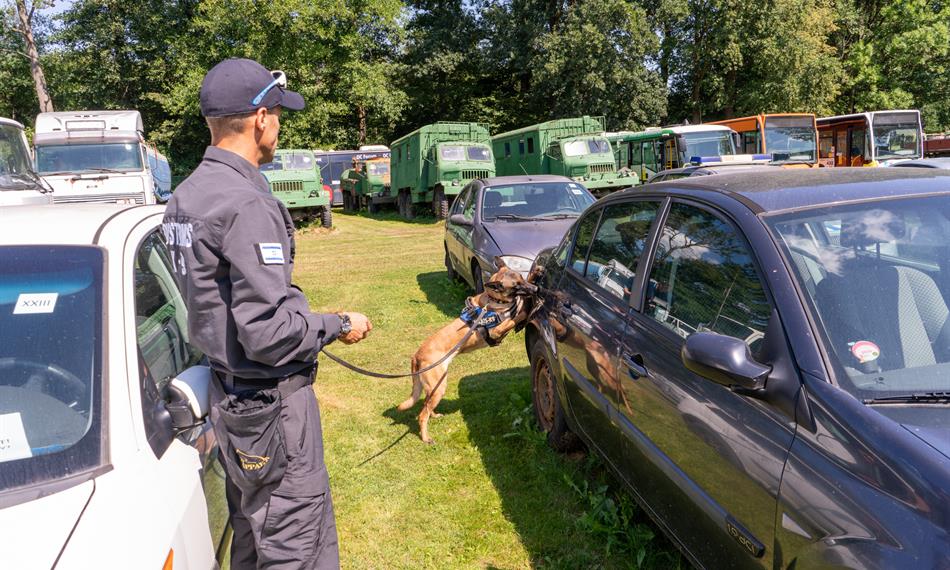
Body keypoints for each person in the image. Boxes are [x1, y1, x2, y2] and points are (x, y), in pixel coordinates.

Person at [163, 58, 372, 570]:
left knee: (253, 540)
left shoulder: (184, 197)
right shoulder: (244, 201)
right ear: (261, 118)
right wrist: (338, 324)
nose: (279, 125)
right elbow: (269, 333)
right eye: (279, 113)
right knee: (295, 544)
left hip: (232, 404)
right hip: (272, 411)